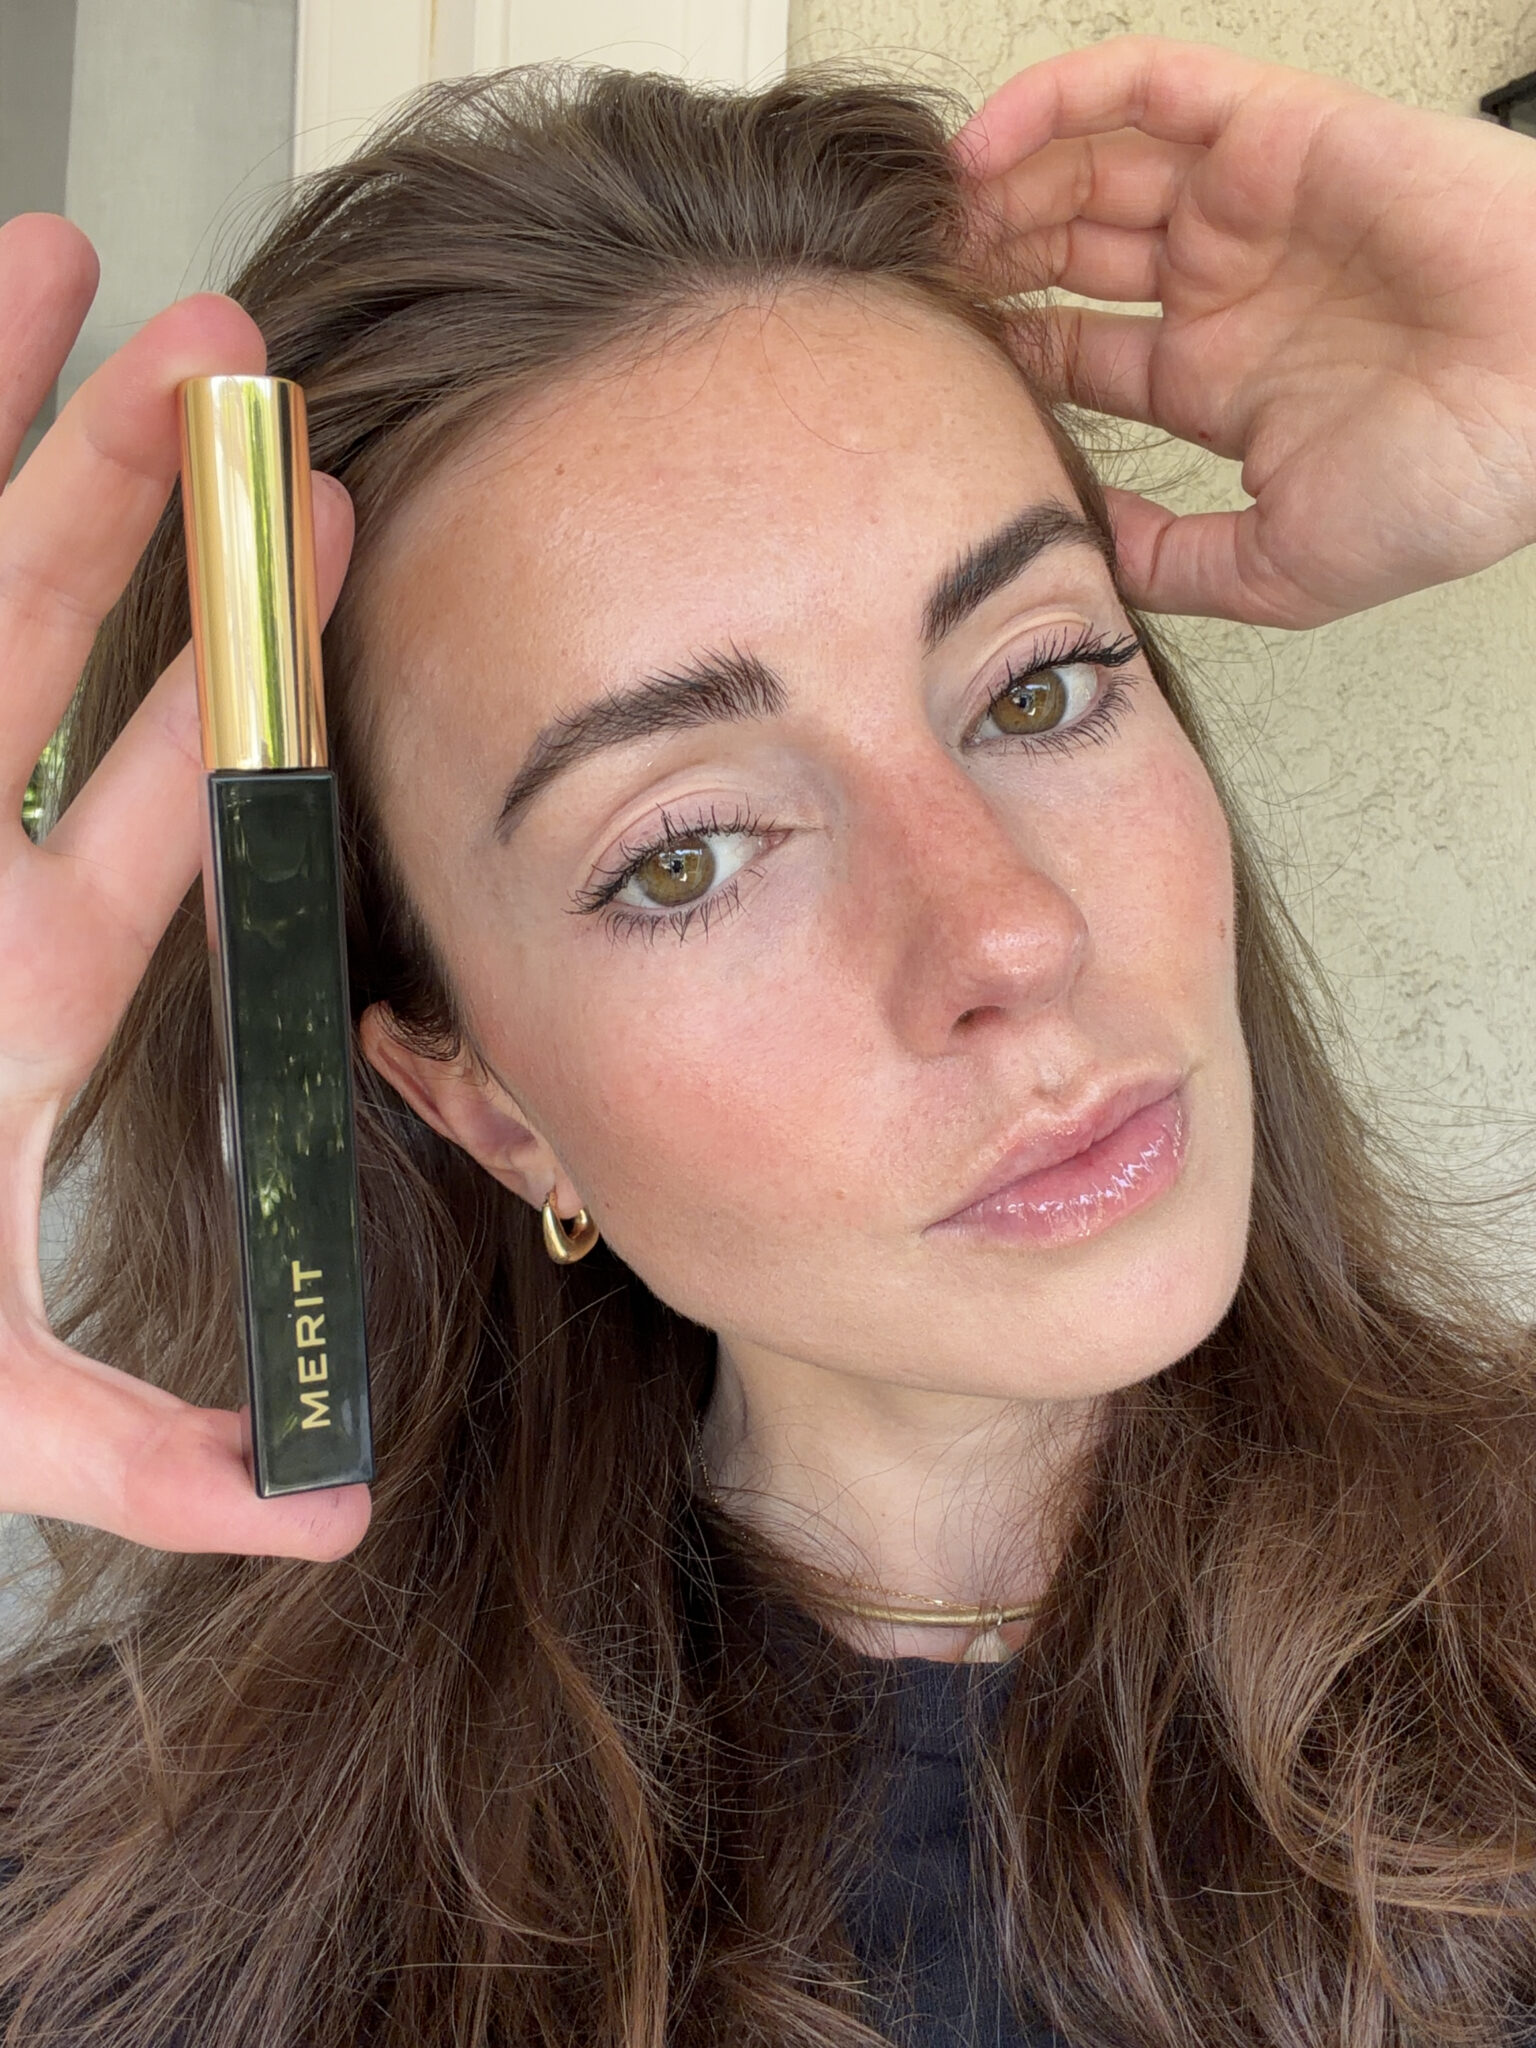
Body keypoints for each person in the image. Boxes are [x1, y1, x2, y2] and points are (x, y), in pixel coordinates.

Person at [0, 31, 1532, 2046]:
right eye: (685, 855)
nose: (1007, 926)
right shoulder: (133, 1902)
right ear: (483, 1102)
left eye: (1045, 687)